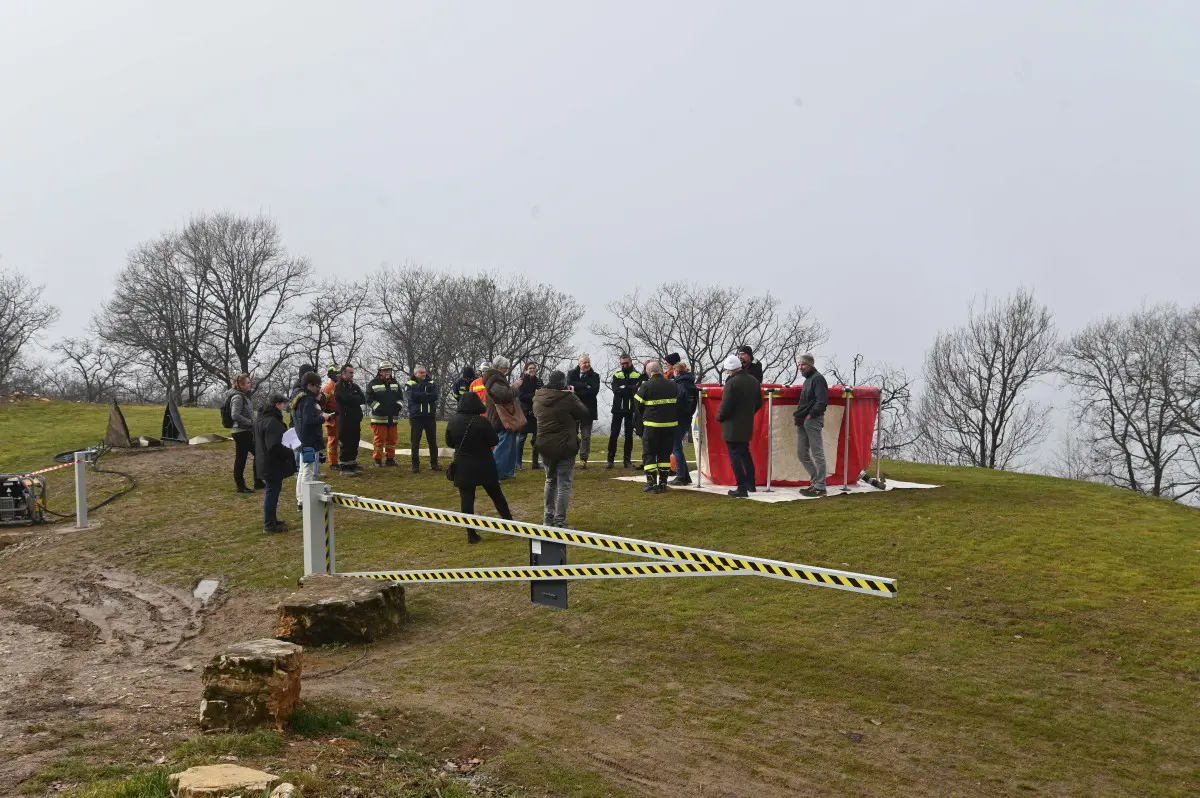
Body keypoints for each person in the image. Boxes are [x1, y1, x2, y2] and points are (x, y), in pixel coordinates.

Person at [446, 391, 512, 542]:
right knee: (496, 496)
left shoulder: (453, 421)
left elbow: (450, 443)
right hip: (484, 463)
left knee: (467, 499)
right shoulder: (482, 422)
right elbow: (494, 441)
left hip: (463, 465)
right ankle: (510, 524)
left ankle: (471, 534)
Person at [533, 369, 589, 526]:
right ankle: (559, 521)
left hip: (544, 445)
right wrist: (573, 395)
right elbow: (584, 413)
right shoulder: (568, 397)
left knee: (550, 481)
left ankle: (547, 519)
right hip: (565, 446)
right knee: (564, 484)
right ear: (563, 384)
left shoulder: (538, 397)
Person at [717, 355, 763, 498]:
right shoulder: (753, 381)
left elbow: (725, 406)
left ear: (730, 369)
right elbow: (759, 403)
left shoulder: (732, 383)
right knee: (745, 453)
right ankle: (751, 483)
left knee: (734, 455)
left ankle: (741, 487)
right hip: (746, 423)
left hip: (732, 425)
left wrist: (719, 417)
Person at [633, 361, 678, 493]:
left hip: (652, 426)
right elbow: (679, 403)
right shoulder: (672, 384)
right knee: (665, 454)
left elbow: (637, 404)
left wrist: (645, 416)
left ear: (648, 372)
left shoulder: (646, 386)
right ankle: (663, 484)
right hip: (670, 426)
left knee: (649, 454)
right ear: (660, 370)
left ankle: (651, 484)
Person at [254, 393, 295, 533]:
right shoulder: (272, 422)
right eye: (283, 404)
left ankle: (272, 519)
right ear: (278, 404)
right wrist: (290, 452)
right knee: (272, 492)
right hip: (272, 464)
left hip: (265, 462)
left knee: (273, 491)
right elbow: (274, 446)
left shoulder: (262, 419)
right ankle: (269, 524)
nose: (284, 407)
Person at [479, 357, 523, 479]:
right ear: (499, 367)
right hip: (501, 417)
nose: (506, 370)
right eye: (505, 368)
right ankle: (494, 473)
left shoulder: (495, 379)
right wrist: (515, 386)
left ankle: (507, 472)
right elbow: (505, 395)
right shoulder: (493, 380)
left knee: (510, 445)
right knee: (503, 445)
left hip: (504, 416)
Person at [294, 371, 332, 510]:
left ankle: (300, 499)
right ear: (309, 385)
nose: (319, 389)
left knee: (303, 470)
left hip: (301, 438)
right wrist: (324, 418)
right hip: (308, 439)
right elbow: (309, 420)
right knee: (308, 471)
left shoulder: (299, 398)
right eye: (317, 386)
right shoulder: (308, 401)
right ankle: (305, 501)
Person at [793, 353, 829, 497]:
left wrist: (810, 416)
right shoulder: (808, 380)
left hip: (813, 420)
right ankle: (815, 481)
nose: (800, 367)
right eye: (799, 364)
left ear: (811, 365)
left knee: (817, 453)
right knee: (802, 453)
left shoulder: (818, 379)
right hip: (804, 420)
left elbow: (822, 401)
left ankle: (820, 486)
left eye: (803, 364)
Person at [225, 373, 263, 494]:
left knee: (242, 457)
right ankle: (252, 483)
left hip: (243, 431)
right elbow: (234, 415)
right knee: (257, 453)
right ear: (241, 385)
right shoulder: (238, 397)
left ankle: (247, 484)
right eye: (247, 383)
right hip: (242, 431)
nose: (250, 384)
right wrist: (251, 422)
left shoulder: (243, 396)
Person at [606, 354, 643, 470]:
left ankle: (627, 460)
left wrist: (625, 388)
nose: (624, 365)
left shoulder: (638, 375)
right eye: (622, 364)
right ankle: (610, 460)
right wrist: (629, 388)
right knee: (614, 434)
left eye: (626, 363)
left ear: (631, 362)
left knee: (629, 435)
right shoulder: (617, 374)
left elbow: (636, 391)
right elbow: (616, 390)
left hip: (631, 409)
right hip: (617, 409)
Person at [366, 362, 403, 467]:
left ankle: (390, 459)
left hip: (393, 418)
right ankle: (377, 460)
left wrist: (399, 406)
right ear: (380, 371)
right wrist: (378, 407)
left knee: (392, 440)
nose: (387, 372)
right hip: (379, 418)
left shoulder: (395, 383)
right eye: (385, 370)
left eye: (389, 370)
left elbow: (401, 397)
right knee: (379, 440)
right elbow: (368, 398)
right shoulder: (373, 383)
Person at [567, 354, 600, 469]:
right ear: (579, 363)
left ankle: (583, 460)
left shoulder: (595, 376)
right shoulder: (571, 374)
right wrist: (586, 385)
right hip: (573, 409)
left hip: (588, 410)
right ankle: (570, 458)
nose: (587, 365)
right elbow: (569, 388)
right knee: (572, 435)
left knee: (586, 436)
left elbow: (593, 392)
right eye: (584, 363)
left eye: (588, 362)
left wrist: (577, 389)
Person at [407, 365, 440, 472]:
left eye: (424, 372)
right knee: (415, 442)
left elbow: (434, 396)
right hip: (416, 417)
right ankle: (415, 466)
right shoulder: (410, 383)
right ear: (416, 373)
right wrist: (426, 395)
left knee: (433, 442)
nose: (424, 374)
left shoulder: (431, 383)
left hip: (430, 416)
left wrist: (421, 395)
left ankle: (434, 464)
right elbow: (412, 397)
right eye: (421, 372)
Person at [669, 361, 698, 486]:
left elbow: (677, 402)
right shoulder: (691, 384)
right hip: (687, 418)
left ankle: (680, 476)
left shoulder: (680, 385)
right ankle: (685, 476)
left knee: (676, 447)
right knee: (678, 447)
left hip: (678, 418)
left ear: (677, 371)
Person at [334, 364, 366, 473]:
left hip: (355, 418)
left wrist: (353, 397)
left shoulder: (354, 386)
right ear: (343, 373)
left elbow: (363, 399)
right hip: (345, 418)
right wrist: (354, 397)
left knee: (354, 441)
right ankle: (344, 465)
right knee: (346, 441)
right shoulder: (339, 386)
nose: (352, 375)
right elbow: (346, 398)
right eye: (350, 372)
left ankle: (352, 463)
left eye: (353, 372)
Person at [515, 363, 543, 471]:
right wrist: (534, 395)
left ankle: (535, 463)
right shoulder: (521, 381)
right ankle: (518, 463)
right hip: (525, 413)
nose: (532, 370)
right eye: (530, 368)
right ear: (526, 370)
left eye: (534, 368)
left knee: (537, 438)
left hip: (536, 412)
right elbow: (521, 396)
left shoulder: (539, 381)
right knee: (522, 438)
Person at [319, 365, 340, 470]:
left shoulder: (339, 386)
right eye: (336, 374)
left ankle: (338, 461)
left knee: (339, 440)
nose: (338, 376)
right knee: (333, 440)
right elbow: (322, 404)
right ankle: (332, 463)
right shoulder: (328, 388)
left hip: (339, 418)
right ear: (331, 375)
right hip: (331, 418)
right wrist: (328, 414)